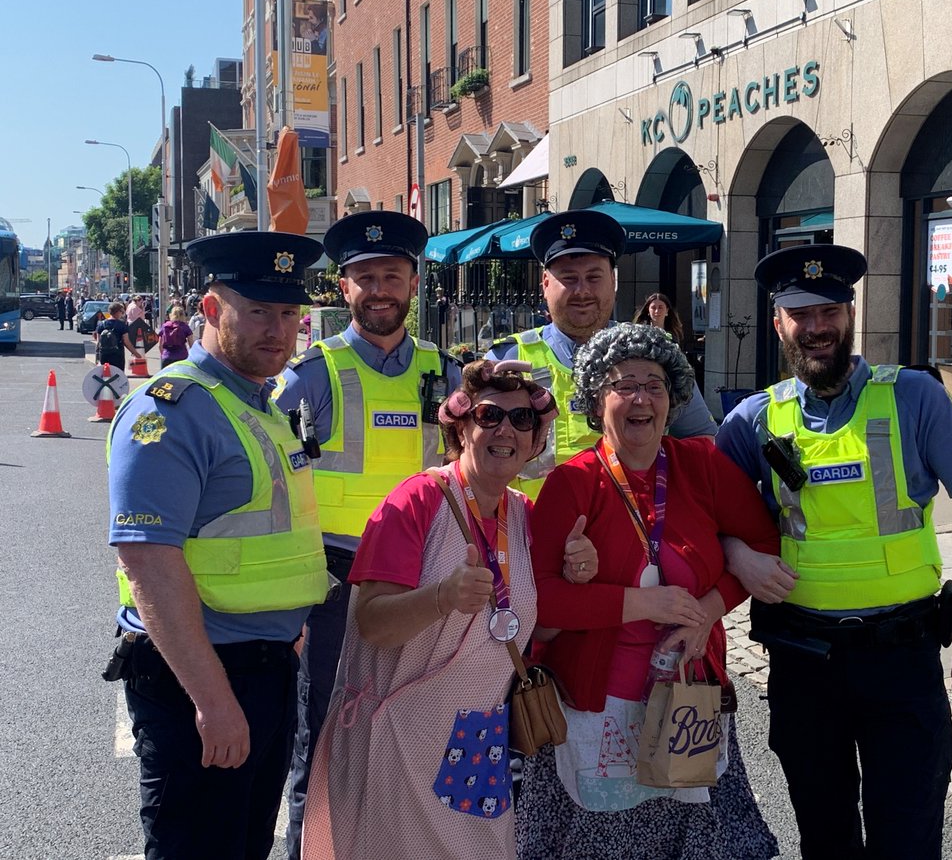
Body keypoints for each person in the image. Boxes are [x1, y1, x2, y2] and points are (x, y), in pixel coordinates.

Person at [715, 244, 952, 860]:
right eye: (801, 313)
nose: (817, 327)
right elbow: (703, 515)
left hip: (901, 662)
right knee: (825, 842)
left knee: (908, 840)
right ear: (779, 323)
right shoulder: (752, 421)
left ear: (851, 313)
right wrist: (736, 553)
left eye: (830, 311)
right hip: (803, 664)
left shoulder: (914, 398)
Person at [103, 230, 327, 860]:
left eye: (288, 314)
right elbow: (148, 560)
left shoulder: (258, 403)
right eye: (256, 311)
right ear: (209, 309)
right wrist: (213, 699)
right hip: (201, 677)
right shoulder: (171, 410)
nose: (277, 331)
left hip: (266, 667)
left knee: (244, 843)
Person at [516, 323, 779, 860]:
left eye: (654, 385)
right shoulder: (573, 482)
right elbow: (537, 600)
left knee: (695, 842)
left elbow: (760, 543)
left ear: (672, 399)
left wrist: (710, 606)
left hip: (689, 698)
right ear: (595, 400)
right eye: (623, 385)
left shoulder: (702, 466)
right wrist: (636, 604)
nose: (641, 398)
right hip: (596, 707)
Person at [300, 359, 560, 859]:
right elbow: (372, 622)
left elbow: (538, 625)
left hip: (475, 739)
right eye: (489, 416)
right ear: (461, 428)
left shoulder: (526, 517)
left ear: (534, 442)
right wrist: (443, 598)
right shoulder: (418, 499)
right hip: (395, 741)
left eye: (522, 420)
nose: (506, 429)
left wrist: (579, 571)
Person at [275, 210, 461, 860]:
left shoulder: (449, 375)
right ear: (343, 288)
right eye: (364, 277)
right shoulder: (313, 374)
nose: (379, 288)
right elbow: (267, 476)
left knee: (416, 740)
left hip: (425, 584)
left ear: (413, 281)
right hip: (335, 590)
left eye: (391, 275)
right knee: (324, 747)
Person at [487, 209, 716, 498]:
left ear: (614, 281)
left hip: (637, 533)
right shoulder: (506, 361)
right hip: (529, 535)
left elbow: (701, 441)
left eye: (594, 277)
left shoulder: (655, 354)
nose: (582, 291)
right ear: (545, 284)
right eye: (568, 279)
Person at [95, 301, 143, 372]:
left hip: (104, 355)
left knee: (105, 374)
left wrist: (97, 357)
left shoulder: (101, 324)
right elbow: (126, 342)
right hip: (117, 355)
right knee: (118, 376)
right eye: (122, 311)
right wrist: (136, 354)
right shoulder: (122, 325)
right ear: (117, 312)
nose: (122, 314)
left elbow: (98, 342)